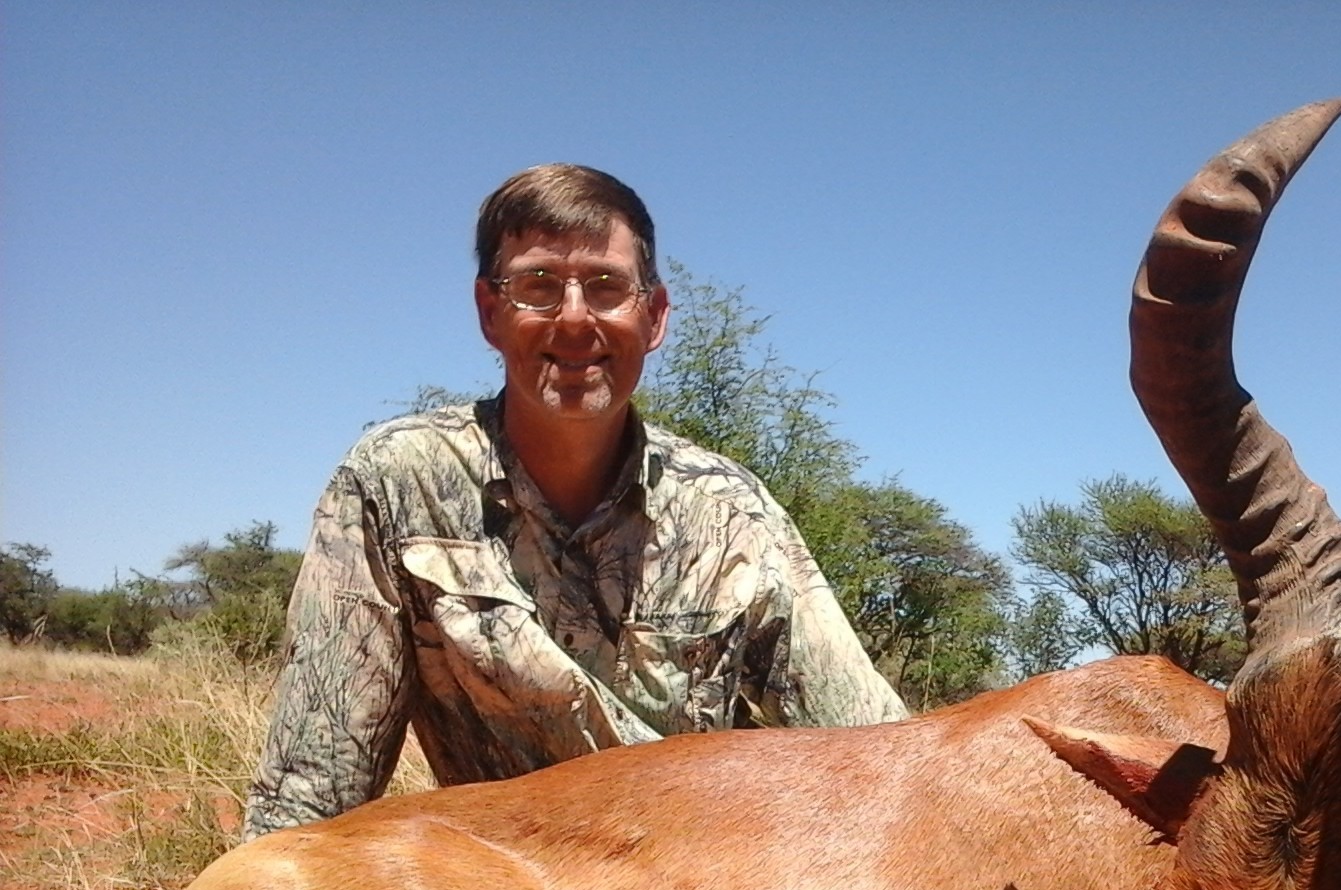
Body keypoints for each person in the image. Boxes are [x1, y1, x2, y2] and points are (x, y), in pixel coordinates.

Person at [242, 164, 906, 840]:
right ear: (489, 312)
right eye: (536, 286)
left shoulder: (730, 509)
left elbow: (880, 755)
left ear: (654, 317)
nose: (574, 318)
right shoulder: (395, 480)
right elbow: (312, 790)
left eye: (607, 287)